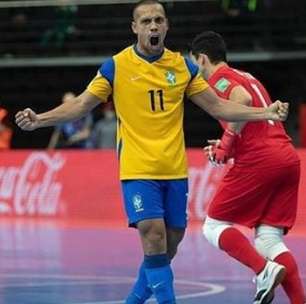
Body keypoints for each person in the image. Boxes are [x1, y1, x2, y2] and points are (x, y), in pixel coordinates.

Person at [15, 1, 289, 303]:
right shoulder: (116, 66)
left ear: (167, 26)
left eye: (158, 20)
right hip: (138, 168)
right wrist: (40, 119)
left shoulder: (183, 67)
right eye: (146, 21)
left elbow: (219, 106)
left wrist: (266, 112)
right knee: (153, 234)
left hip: (174, 169)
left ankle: (133, 300)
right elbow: (81, 105)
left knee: (168, 246)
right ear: (135, 28)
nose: (153, 26)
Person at [189, 31, 305, 304]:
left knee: (213, 225)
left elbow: (242, 101)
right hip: (287, 158)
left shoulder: (218, 80)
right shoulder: (246, 76)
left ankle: (263, 270)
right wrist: (226, 146)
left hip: (261, 161)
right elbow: (257, 125)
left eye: (193, 63)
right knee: (269, 241)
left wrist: (226, 145)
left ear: (202, 59)